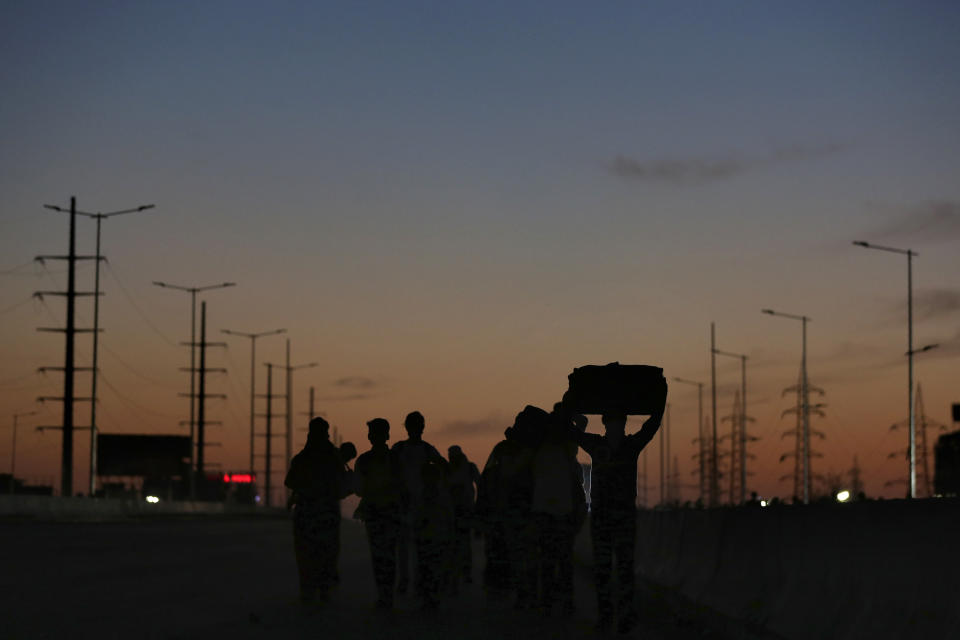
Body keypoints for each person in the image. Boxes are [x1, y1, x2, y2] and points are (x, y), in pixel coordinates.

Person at [567, 380, 666, 634]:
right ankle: (608, 616)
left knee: (622, 570)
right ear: (607, 424)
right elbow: (573, 433)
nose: (614, 426)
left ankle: (622, 616)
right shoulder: (598, 445)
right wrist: (570, 406)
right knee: (604, 570)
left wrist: (660, 402)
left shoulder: (630, 445)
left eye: (616, 421)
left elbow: (652, 426)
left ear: (621, 424)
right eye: (611, 421)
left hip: (621, 516)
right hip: (603, 516)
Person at [477, 405, 545, 608]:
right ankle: (523, 593)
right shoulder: (511, 450)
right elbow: (498, 477)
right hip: (511, 511)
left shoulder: (518, 450)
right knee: (517, 556)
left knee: (520, 556)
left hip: (520, 511)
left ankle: (523, 593)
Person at [531, 408, 588, 616]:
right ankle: (561, 601)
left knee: (552, 560)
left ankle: (551, 601)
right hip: (555, 513)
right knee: (559, 560)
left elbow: (581, 420)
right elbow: (582, 420)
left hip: (550, 512)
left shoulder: (542, 449)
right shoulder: (565, 449)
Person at [284, 416, 345, 606]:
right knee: (325, 551)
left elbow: (291, 481)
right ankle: (322, 588)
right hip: (324, 511)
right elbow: (342, 482)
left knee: (307, 552)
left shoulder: (304, 458)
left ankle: (310, 589)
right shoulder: (332, 456)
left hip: (310, 511)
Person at [391, 411, 447, 596]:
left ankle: (412, 582)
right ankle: (409, 581)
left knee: (416, 547)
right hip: (405, 502)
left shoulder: (425, 449)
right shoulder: (404, 449)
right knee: (408, 546)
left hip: (421, 503)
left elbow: (443, 467)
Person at [354, 418, 403, 609]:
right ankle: (387, 595)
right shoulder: (395, 459)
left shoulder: (364, 460)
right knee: (389, 554)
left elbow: (358, 489)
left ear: (370, 436)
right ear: (387, 435)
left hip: (375, 512)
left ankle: (384, 596)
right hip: (390, 512)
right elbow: (402, 484)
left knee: (378, 554)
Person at [447, 445, 480, 586]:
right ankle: (461, 573)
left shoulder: (468, 468)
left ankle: (463, 573)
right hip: (454, 510)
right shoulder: (450, 469)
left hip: (464, 509)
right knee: (459, 543)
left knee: (462, 543)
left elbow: (480, 484)